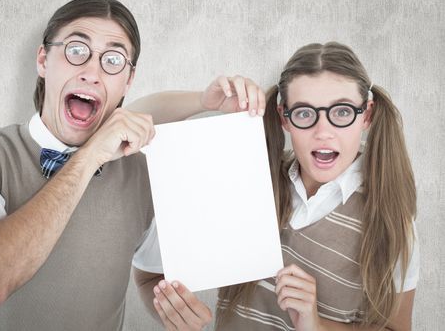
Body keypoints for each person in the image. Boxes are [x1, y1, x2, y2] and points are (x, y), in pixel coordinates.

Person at [0, 0, 264, 331]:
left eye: (112, 59)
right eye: (76, 50)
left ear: (128, 80)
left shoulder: (139, 173)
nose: (91, 73)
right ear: (42, 60)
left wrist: (172, 307)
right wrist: (89, 155)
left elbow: (150, 275)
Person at [133, 42, 419, 331]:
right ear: (285, 118)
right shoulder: (247, 178)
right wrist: (205, 102)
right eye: (305, 113)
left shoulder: (390, 218)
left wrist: (316, 325)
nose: (323, 132)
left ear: (367, 115)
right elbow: (129, 122)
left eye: (342, 112)